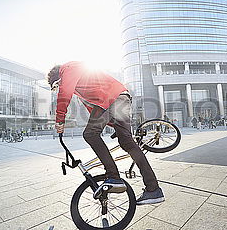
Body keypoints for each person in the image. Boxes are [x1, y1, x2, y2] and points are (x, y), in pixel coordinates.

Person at [48, 61, 164, 205]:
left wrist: (60, 120)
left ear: (57, 77)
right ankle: (153, 190)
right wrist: (113, 124)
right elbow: (95, 109)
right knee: (126, 142)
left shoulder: (67, 69)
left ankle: (113, 176)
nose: (58, 88)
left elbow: (65, 94)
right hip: (121, 97)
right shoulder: (80, 80)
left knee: (90, 134)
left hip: (111, 98)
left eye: (56, 85)